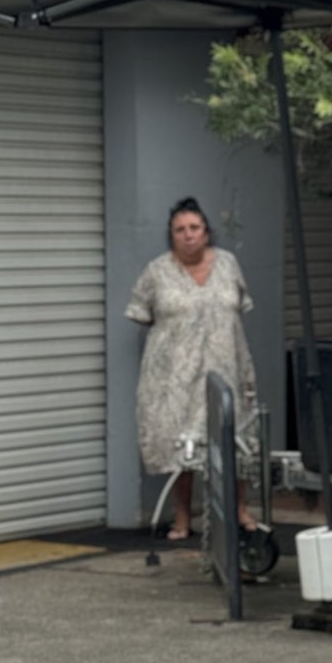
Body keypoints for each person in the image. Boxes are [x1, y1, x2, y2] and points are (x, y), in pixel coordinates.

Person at [126, 197, 259, 540]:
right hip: (176, 373)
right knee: (180, 441)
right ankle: (183, 516)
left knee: (235, 434)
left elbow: (239, 306)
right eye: (180, 230)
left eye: (194, 228)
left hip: (227, 364)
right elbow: (142, 314)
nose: (188, 235)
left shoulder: (228, 264)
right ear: (171, 235)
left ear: (206, 232)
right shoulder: (156, 271)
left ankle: (239, 509)